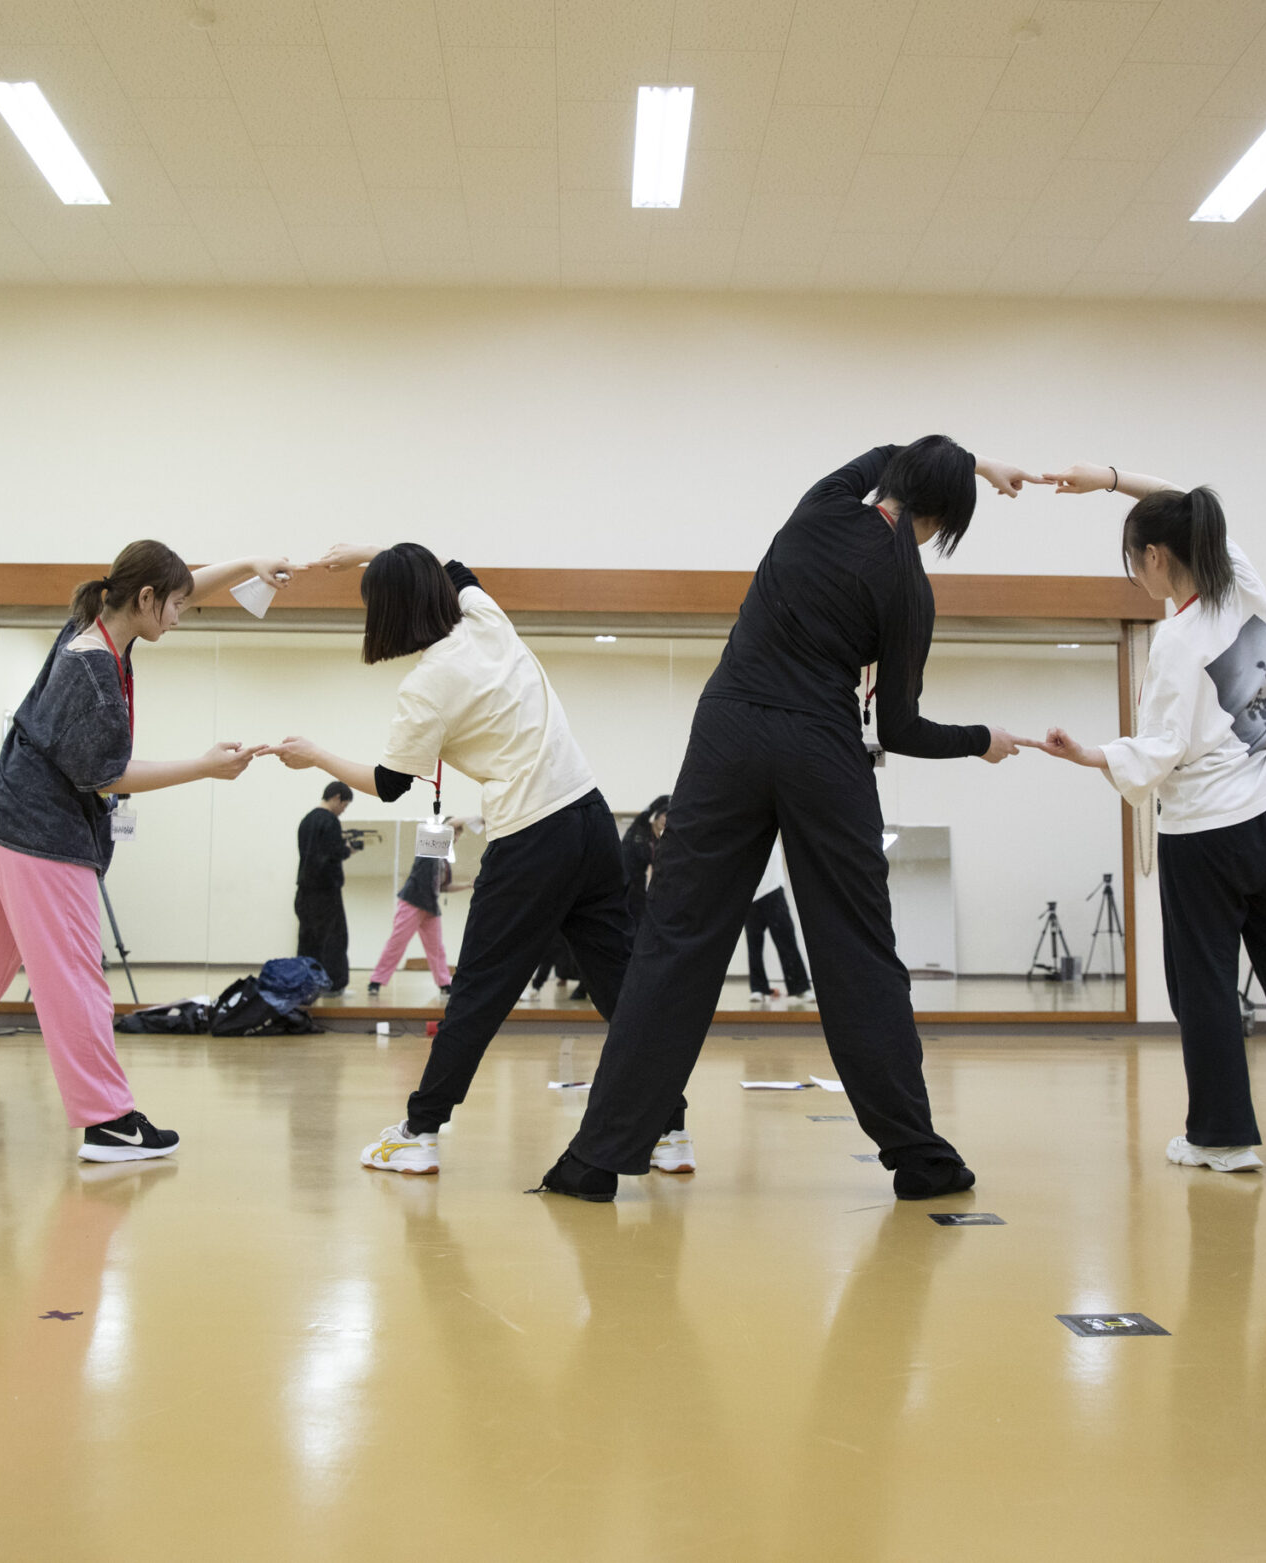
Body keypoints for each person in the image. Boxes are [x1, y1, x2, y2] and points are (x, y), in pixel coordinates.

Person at [541, 438, 1038, 1203]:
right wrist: (982, 739)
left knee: (675, 941)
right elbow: (900, 728)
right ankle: (919, 1157)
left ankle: (594, 1159)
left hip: (728, 732)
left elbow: (884, 451)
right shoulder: (910, 586)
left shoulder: (821, 508)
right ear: (945, 520)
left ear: (895, 479)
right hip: (823, 752)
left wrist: (975, 461)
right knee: (858, 951)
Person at [270, 543, 689, 1176]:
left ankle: (419, 1131)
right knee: (621, 988)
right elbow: (452, 564)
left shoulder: (426, 685)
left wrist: (315, 756)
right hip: (592, 818)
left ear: (388, 611)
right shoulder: (485, 620)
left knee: (478, 992)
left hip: (532, 836)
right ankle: (670, 1130)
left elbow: (388, 784)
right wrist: (368, 552)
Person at [1024, 464, 1266, 1173]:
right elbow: (1185, 500)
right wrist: (1110, 480)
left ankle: (1224, 1138)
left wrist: (1088, 755)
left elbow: (1159, 750)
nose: (1136, 575)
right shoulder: (1248, 587)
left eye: (1134, 562)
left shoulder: (1175, 639)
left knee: (1205, 984)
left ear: (1155, 557)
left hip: (1205, 837)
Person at [0, 540, 294, 1160]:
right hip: (41, 837)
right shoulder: (95, 672)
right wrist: (204, 767)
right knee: (74, 979)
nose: (180, 617)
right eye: (175, 606)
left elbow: (178, 586)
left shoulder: (92, 622)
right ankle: (109, 1122)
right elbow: (106, 775)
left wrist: (245, 565)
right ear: (146, 599)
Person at [366, 817, 465, 997]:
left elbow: (443, 887)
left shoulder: (444, 862)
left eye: (458, 833)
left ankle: (444, 984)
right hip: (412, 902)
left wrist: (469, 885)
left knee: (436, 948)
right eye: (455, 831)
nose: (456, 835)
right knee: (397, 942)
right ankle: (376, 981)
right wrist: (463, 820)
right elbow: (448, 826)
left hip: (430, 907)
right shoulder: (429, 847)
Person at [295, 782, 356, 989]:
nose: (343, 810)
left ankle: (306, 984)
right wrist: (347, 850)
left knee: (308, 941)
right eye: (344, 805)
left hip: (304, 890)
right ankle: (333, 985)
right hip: (326, 891)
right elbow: (333, 853)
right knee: (334, 939)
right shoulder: (330, 821)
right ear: (336, 797)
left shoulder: (306, 820)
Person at [744, 840, 812, 1000]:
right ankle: (758, 988)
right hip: (751, 895)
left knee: (787, 941)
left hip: (773, 890)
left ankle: (800, 987)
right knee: (754, 946)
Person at [621, 795, 668, 940]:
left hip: (638, 885)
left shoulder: (659, 842)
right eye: (665, 815)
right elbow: (648, 811)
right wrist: (666, 798)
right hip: (622, 880)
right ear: (658, 815)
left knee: (638, 922)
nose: (666, 820)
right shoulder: (641, 826)